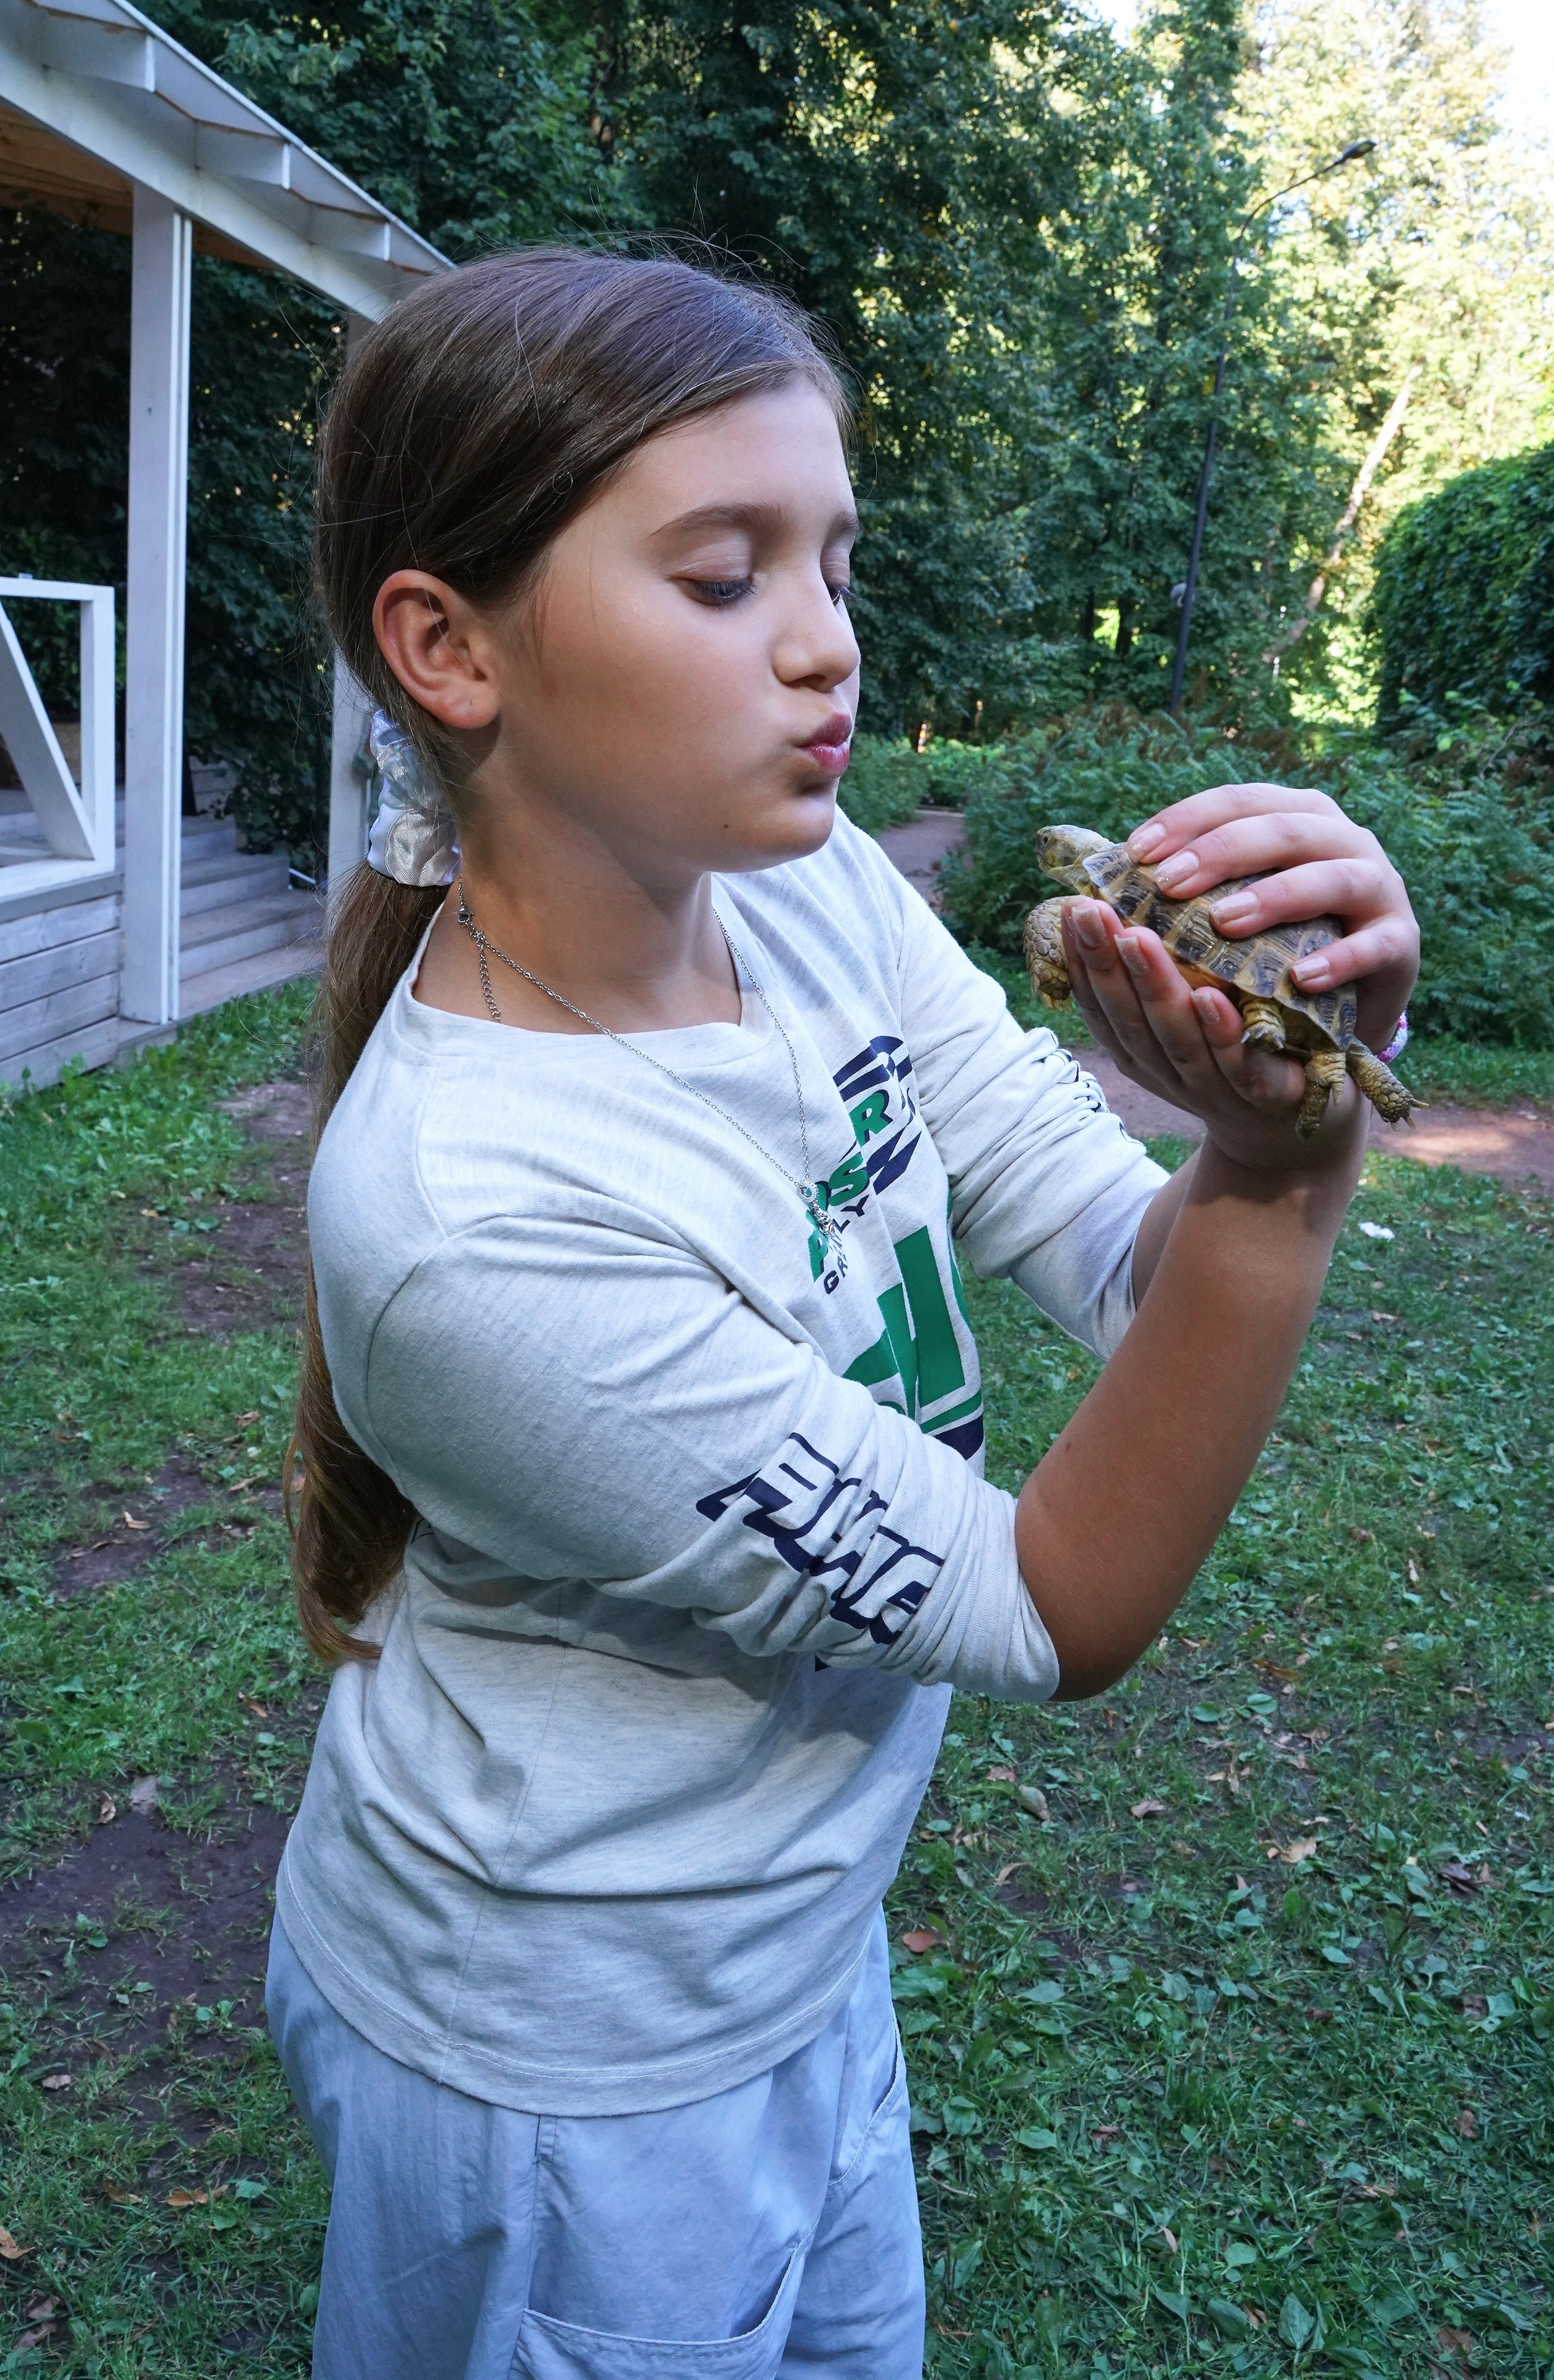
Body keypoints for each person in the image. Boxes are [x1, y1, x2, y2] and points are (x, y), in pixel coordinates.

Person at [264, 247, 1420, 2380]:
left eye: (834, 558)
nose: (827, 646)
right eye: (724, 579)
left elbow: (1105, 1245)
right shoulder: (474, 1224)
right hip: (571, 2065)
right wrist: (1279, 1190)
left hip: (785, 1947)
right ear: (448, 645)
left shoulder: (807, 902)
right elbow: (1051, 1602)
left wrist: (1259, 1091)